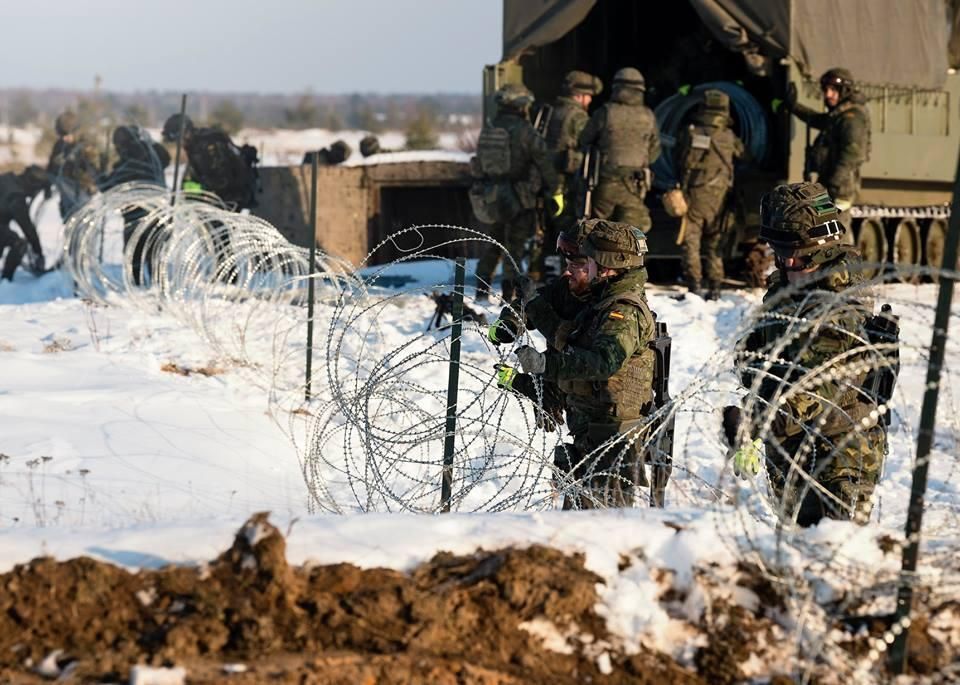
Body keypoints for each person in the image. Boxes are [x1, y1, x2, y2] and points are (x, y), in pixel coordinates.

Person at [729, 182, 895, 527]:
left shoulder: (838, 306)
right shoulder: (788, 286)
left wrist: (752, 424)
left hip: (836, 458)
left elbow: (811, 392)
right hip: (791, 450)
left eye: (798, 253)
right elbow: (750, 355)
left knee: (828, 558)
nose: (788, 261)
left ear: (821, 247)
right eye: (780, 251)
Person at [508, 220, 658, 508]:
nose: (575, 270)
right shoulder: (602, 301)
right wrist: (535, 306)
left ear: (609, 266)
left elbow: (602, 362)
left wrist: (544, 365)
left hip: (611, 437)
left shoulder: (622, 311)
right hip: (593, 431)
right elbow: (569, 337)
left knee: (598, 530)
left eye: (585, 263)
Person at [469, 83, 559, 302]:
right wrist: (556, 191)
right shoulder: (525, 131)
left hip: (491, 195)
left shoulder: (489, 128)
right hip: (519, 196)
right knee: (514, 248)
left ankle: (481, 290)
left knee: (493, 243)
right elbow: (545, 162)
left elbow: (479, 164)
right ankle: (510, 295)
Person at [530, 70, 603, 281]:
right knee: (569, 230)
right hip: (567, 185)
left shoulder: (549, 112)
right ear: (578, 95)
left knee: (543, 230)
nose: (589, 100)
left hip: (545, 182)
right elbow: (589, 145)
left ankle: (538, 273)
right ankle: (566, 274)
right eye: (588, 96)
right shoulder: (578, 116)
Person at [673, 89, 744, 298]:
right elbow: (746, 156)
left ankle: (694, 285)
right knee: (715, 245)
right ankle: (715, 288)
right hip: (720, 199)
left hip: (694, 196)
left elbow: (679, 157)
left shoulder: (690, 132)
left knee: (691, 243)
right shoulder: (730, 137)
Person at [577, 68, 661, 231]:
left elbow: (584, 140)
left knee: (598, 232)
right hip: (634, 185)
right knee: (632, 235)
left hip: (605, 182)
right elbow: (655, 150)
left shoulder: (605, 112)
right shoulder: (648, 115)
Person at [784, 68, 870, 222]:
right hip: (829, 185)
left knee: (833, 231)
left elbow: (853, 154)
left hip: (840, 189)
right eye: (826, 90)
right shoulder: (839, 115)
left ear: (844, 91)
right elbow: (817, 119)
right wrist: (794, 106)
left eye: (833, 90)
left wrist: (834, 183)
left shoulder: (851, 118)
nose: (828, 94)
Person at [101, 125, 171, 285]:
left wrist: (99, 172)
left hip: (134, 217)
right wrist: (150, 142)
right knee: (155, 254)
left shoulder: (125, 164)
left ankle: (138, 289)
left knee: (134, 255)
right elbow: (166, 158)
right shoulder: (152, 155)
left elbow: (107, 187)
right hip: (158, 212)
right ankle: (158, 287)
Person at [161, 113, 259, 211]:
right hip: (216, 199)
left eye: (178, 139)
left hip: (230, 198)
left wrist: (199, 190)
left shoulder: (207, 146)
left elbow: (221, 180)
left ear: (186, 133)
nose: (179, 144)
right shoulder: (194, 146)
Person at [0, 166, 52, 280]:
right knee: (19, 244)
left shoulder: (7, 179)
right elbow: (27, 228)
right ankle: (5, 281)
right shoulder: (15, 197)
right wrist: (38, 251)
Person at [46, 110, 99, 220]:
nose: (64, 138)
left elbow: (95, 170)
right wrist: (47, 187)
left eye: (67, 135)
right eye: (61, 135)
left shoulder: (86, 147)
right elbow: (50, 168)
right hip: (66, 197)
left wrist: (90, 184)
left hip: (83, 194)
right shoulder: (60, 145)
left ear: (76, 132)